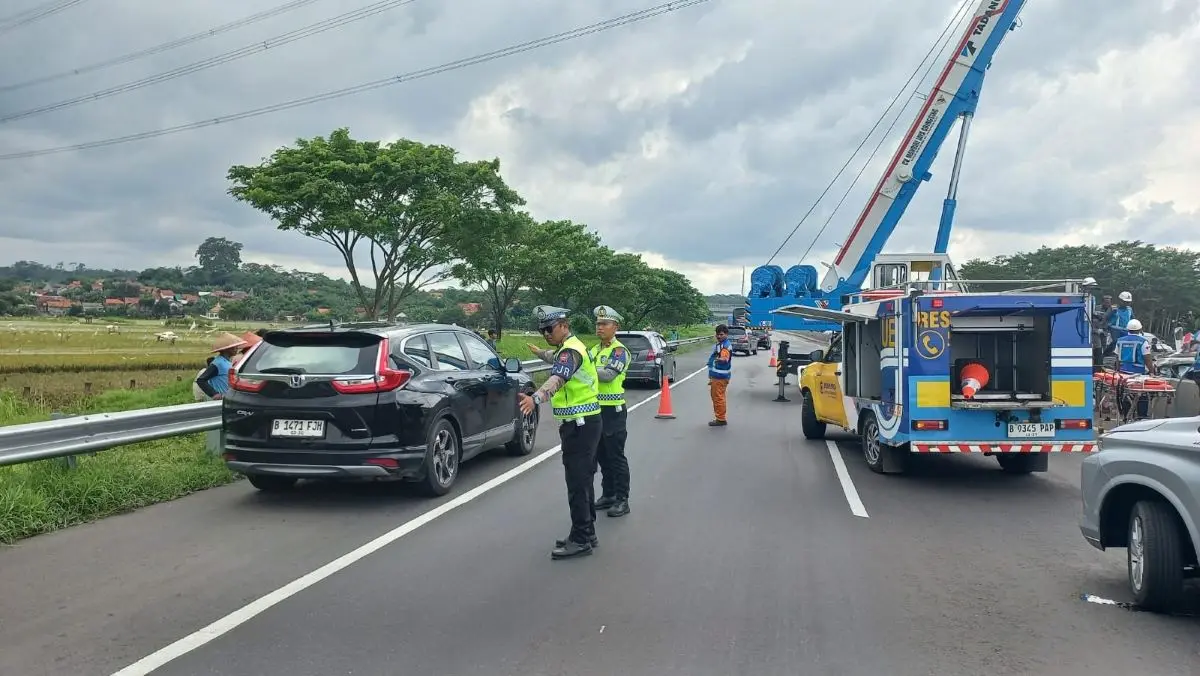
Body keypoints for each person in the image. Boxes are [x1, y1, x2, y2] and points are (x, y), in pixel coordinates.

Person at [518, 305, 602, 560]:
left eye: (549, 329)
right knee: (583, 479)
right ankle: (587, 532)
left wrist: (536, 398)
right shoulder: (569, 348)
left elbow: (558, 377)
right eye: (542, 330)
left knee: (577, 482)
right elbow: (554, 359)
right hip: (583, 423)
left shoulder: (570, 352)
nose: (546, 334)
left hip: (580, 425)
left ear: (564, 326)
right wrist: (539, 352)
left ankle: (580, 539)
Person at [588, 305, 631, 518]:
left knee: (615, 456)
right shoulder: (594, 351)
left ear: (616, 327)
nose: (599, 328)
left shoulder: (619, 351)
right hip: (596, 410)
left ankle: (623, 499)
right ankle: (609, 494)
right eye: (597, 324)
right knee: (601, 455)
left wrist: (585, 369)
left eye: (604, 324)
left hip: (613, 411)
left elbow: (607, 375)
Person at [1115, 319, 1153, 419]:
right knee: (1142, 395)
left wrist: (1118, 371)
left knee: (1125, 394)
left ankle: (1126, 416)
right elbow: (1147, 359)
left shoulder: (1120, 340)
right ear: (1140, 329)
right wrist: (1152, 372)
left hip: (1123, 373)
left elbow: (1117, 358)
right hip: (1138, 374)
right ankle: (1142, 416)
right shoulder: (1143, 342)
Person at [194, 332, 248, 401]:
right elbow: (201, 380)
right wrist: (214, 394)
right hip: (219, 401)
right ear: (227, 349)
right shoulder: (218, 363)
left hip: (227, 399)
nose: (236, 349)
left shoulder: (227, 362)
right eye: (234, 347)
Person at [707, 324, 733, 426]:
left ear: (726, 334)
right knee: (717, 396)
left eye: (721, 334)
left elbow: (725, 358)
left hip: (720, 376)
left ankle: (721, 419)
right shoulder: (721, 344)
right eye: (717, 334)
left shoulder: (725, 346)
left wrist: (719, 359)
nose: (719, 336)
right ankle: (720, 417)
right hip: (717, 376)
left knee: (718, 397)